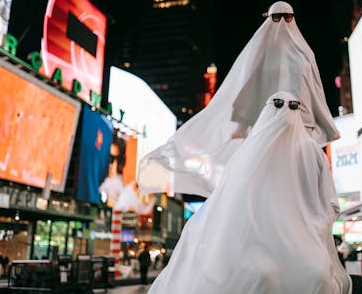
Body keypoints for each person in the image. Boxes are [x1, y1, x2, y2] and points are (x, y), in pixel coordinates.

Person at [147, 91, 351, 294]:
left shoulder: (312, 153)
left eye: (293, 106)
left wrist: (313, 226)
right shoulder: (248, 154)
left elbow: (329, 202)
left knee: (317, 275)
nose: (285, 111)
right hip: (255, 243)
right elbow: (233, 200)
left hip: (304, 242)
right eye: (278, 104)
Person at [138, 1, 340, 199]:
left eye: (287, 17)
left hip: (297, 131)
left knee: (295, 189)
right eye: (276, 17)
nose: (282, 23)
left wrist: (320, 124)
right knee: (267, 188)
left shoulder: (304, 55)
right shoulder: (262, 56)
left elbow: (315, 92)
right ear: (269, 19)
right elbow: (248, 89)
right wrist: (243, 125)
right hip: (266, 130)